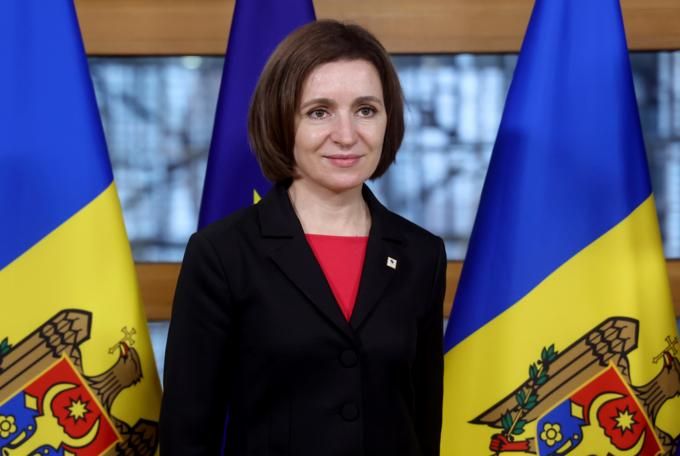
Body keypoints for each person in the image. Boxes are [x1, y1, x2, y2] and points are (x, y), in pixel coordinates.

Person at [160, 19, 447, 456]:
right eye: (319, 112)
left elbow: (423, 425)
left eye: (366, 110)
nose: (347, 135)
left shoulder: (421, 254)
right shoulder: (222, 253)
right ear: (281, 120)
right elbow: (187, 437)